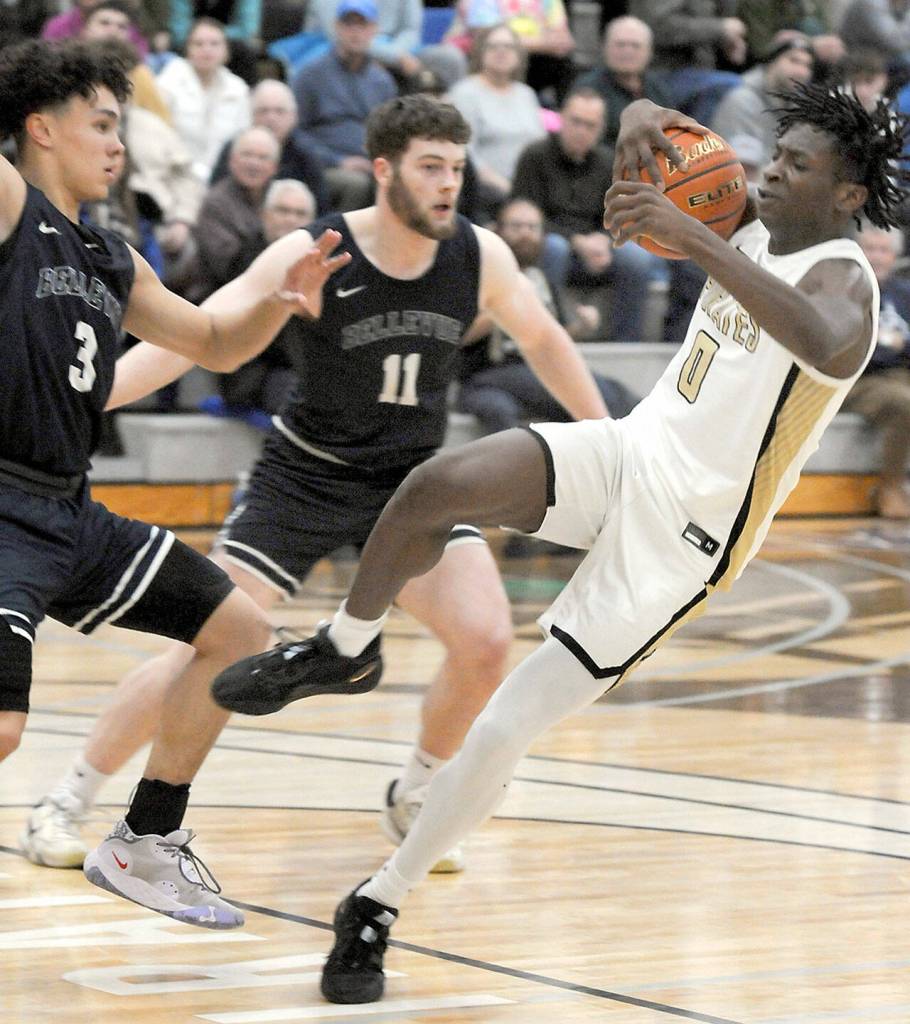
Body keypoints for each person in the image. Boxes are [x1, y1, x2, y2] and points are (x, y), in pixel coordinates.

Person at [208, 82, 905, 1001]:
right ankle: (345, 646)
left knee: (504, 725)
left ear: (847, 194)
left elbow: (820, 340)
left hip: (689, 538)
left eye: (797, 166)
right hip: (635, 451)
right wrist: (638, 118)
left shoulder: (846, 281)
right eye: (774, 155)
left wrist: (691, 235)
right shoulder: (747, 215)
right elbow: (654, 132)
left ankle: (378, 902)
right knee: (436, 486)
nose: (770, 172)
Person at [22, 94, 607, 879]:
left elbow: (545, 339)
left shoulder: (480, 255)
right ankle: (68, 797)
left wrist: (611, 441)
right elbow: (195, 336)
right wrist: (88, 398)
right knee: (207, 644)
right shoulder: (317, 248)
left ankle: (416, 791)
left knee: (486, 639)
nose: (448, 184)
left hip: (409, 487)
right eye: (431, 167)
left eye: (458, 168)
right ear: (383, 171)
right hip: (304, 477)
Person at [0, 38, 352, 927]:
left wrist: (280, 303)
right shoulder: (11, 207)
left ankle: (145, 841)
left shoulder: (113, 258)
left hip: (71, 511)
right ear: (41, 128)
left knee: (239, 628)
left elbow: (217, 343)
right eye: (101, 123)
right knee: (1, 728)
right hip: (2, 507)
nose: (119, 143)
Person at [458, 196, 639, 435]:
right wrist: (502, 305)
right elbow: (457, 335)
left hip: (534, 370)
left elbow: (552, 337)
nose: (525, 233)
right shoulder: (479, 275)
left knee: (614, 391)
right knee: (586, 392)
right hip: (489, 372)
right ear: (497, 231)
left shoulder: (540, 277)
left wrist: (582, 326)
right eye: (516, 226)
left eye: (532, 227)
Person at [511, 86, 668, 341]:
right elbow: (521, 217)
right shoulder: (534, 156)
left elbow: (622, 215)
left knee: (637, 257)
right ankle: (548, 337)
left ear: (601, 128)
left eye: (590, 125)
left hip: (598, 247)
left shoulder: (610, 162)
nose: (581, 131)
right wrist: (577, 241)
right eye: (576, 122)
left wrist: (603, 241)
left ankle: (626, 346)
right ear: (561, 118)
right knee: (554, 247)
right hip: (552, 244)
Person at [291, 0, 398, 212]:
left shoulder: (383, 81)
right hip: (324, 165)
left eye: (363, 25)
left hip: (373, 164)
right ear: (337, 27)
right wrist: (337, 161)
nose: (355, 32)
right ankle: (341, 233)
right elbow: (295, 132)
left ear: (374, 30)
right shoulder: (310, 74)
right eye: (349, 24)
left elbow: (391, 134)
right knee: (356, 184)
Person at [843, 222, 910, 518]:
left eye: (884, 250)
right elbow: (852, 349)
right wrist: (889, 344)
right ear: (858, 252)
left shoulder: (904, 294)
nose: (877, 257)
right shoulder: (844, 290)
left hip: (898, 374)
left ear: (894, 257)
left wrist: (894, 346)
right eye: (870, 249)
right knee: (903, 402)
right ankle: (889, 489)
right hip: (857, 380)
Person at [447, 23, 546, 218]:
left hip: (530, 194)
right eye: (493, 46)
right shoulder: (465, 93)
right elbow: (466, 153)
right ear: (480, 52)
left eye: (508, 47)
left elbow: (541, 146)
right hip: (486, 195)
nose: (501, 52)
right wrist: (509, 189)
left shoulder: (526, 94)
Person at [209, 79, 330, 217]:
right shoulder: (235, 146)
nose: (271, 118)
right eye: (263, 111)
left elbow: (320, 209)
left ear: (294, 117)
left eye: (280, 111)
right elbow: (215, 196)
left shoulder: (305, 154)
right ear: (251, 115)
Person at [187, 126, 280, 301]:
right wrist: (268, 232)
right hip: (220, 296)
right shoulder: (216, 203)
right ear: (232, 161)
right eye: (247, 155)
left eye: (263, 157)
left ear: (274, 167)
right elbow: (228, 268)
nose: (254, 163)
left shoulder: (283, 200)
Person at [156, 17, 251, 182]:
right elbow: (159, 137)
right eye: (198, 44)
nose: (207, 49)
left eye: (214, 44)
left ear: (226, 51)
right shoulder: (167, 83)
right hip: (174, 175)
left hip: (222, 179)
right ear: (188, 49)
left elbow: (243, 138)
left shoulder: (238, 89)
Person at [711, 35, 814, 169]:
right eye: (794, 61)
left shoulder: (798, 108)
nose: (801, 71)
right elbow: (742, 168)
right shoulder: (743, 100)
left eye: (807, 66)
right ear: (772, 61)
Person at [573, 15, 675, 150]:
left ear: (649, 52)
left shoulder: (658, 88)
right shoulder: (587, 89)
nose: (627, 51)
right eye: (620, 44)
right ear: (604, 47)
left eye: (635, 46)